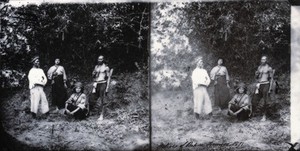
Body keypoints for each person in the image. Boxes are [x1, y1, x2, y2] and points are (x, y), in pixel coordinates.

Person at [252, 55, 274, 122]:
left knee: (265, 100)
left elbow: (272, 79)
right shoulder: (259, 67)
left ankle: (264, 116)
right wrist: (256, 74)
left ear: (266, 60)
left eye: (264, 59)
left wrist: (270, 88)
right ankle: (254, 112)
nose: (263, 61)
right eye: (262, 59)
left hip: (266, 84)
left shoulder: (269, 68)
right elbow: (256, 77)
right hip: (259, 84)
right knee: (254, 98)